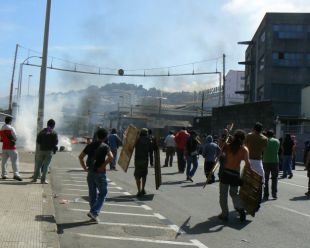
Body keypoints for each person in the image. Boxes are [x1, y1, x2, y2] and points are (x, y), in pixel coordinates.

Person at [78, 128, 113, 223]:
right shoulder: (105, 146)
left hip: (90, 172)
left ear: (97, 136)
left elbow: (81, 157)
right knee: (103, 193)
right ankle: (94, 212)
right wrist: (103, 166)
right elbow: (111, 157)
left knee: (92, 194)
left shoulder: (90, 145)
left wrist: (84, 167)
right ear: (106, 137)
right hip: (100, 173)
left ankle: (93, 213)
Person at [218, 130, 249, 222]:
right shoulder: (244, 149)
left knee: (223, 195)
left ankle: (225, 214)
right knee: (234, 193)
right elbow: (248, 164)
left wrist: (225, 135)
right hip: (235, 174)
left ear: (235, 137)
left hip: (226, 173)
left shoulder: (228, 146)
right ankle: (240, 208)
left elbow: (221, 145)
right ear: (243, 139)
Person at [32, 119, 58, 184]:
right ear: (53, 125)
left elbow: (38, 141)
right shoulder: (54, 133)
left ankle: (35, 179)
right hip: (49, 151)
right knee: (46, 166)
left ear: (47, 124)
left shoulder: (42, 132)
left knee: (38, 165)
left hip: (41, 150)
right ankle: (43, 180)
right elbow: (56, 142)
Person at [0, 116, 22, 181]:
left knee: (4, 162)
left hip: (4, 147)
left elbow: (1, 139)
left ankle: (4, 174)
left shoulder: (1, 128)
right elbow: (15, 137)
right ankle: (16, 174)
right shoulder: (11, 128)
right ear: (10, 121)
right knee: (15, 161)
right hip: (11, 147)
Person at [262, 130, 280, 200]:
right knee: (275, 178)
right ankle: (274, 194)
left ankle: (266, 194)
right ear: (273, 135)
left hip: (265, 161)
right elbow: (277, 150)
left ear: (267, 135)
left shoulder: (264, 140)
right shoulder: (277, 141)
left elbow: (262, 150)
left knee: (265, 179)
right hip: (275, 161)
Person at [134, 128, 152, 197]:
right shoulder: (148, 140)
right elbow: (151, 150)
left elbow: (132, 146)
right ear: (146, 133)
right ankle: (143, 189)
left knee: (137, 175)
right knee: (144, 175)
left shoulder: (137, 140)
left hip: (137, 160)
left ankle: (139, 191)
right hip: (145, 160)